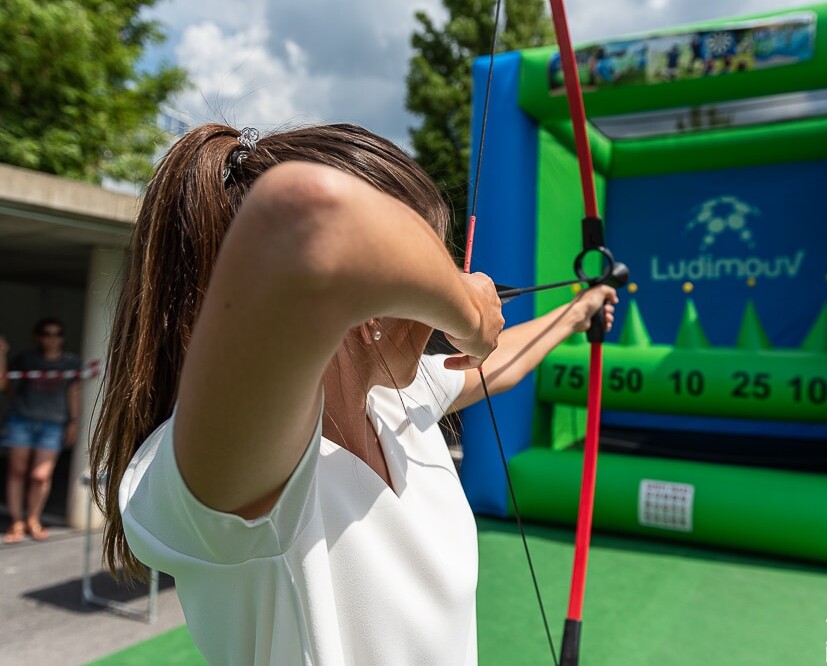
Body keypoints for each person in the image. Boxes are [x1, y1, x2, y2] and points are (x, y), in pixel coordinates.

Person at [90, 123, 617, 665]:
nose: (441, 285)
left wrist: (577, 313)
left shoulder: (392, 401)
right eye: (432, 265)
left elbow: (496, 365)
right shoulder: (224, 475)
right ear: (372, 304)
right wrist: (468, 305)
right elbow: (309, 217)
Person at [2, 318, 82, 543]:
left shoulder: (71, 362)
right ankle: (17, 521)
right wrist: (2, 355)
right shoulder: (26, 358)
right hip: (21, 420)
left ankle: (33, 519)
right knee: (16, 472)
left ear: (62, 337)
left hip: (53, 424)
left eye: (57, 333)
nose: (52, 338)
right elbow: (5, 387)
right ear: (38, 337)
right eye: (47, 333)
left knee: (41, 476)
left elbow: (74, 391)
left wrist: (74, 422)